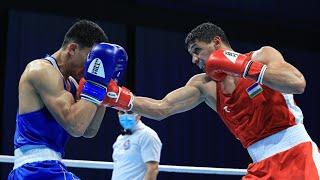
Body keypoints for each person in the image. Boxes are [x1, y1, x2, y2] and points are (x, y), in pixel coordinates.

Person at [103, 22, 320, 179]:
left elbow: (297, 83)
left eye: (197, 50)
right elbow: (163, 107)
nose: (194, 59)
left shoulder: (262, 56)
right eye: (191, 54)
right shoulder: (204, 85)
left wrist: (244, 67)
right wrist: (118, 98)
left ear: (216, 42)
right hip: (260, 166)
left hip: (298, 155)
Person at [8, 19, 129, 179]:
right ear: (72, 49)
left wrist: (105, 85)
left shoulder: (72, 83)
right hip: (35, 169)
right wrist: (97, 84)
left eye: (95, 64)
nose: (90, 67)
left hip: (49, 169)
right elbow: (75, 126)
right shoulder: (41, 70)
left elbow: (89, 130)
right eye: (91, 60)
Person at [111, 110, 162, 180]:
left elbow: (152, 169)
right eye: (122, 112)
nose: (125, 116)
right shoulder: (120, 138)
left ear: (139, 114)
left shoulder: (147, 135)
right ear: (118, 114)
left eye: (130, 112)